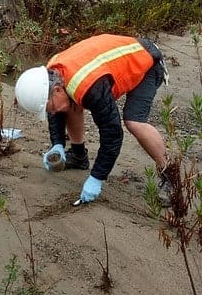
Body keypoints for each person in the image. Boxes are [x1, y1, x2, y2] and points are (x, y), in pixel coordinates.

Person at [15, 33, 171, 203]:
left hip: (147, 62)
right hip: (110, 63)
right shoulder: (52, 73)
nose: (51, 112)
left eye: (49, 107)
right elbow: (57, 110)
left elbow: (113, 134)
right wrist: (57, 144)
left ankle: (170, 175)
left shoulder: (91, 87)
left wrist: (97, 177)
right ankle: (78, 156)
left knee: (134, 121)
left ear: (57, 90)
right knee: (68, 104)